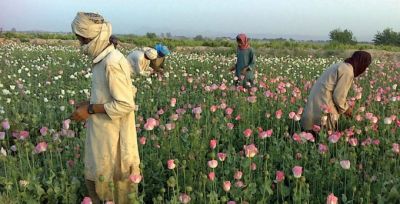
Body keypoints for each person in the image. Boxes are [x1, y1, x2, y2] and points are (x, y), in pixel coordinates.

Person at [70, 12, 140, 204]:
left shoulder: (112, 62)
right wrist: (88, 104)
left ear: (93, 37)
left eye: (82, 40)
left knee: (112, 190)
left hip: (112, 136)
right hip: (103, 132)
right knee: (100, 182)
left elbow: (125, 103)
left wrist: (90, 109)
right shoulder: (103, 59)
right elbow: (109, 95)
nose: (81, 45)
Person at [301, 51, 372, 132]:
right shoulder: (348, 71)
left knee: (312, 126)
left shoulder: (341, 65)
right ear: (362, 63)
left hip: (318, 95)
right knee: (326, 129)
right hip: (325, 98)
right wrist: (346, 109)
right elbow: (338, 97)